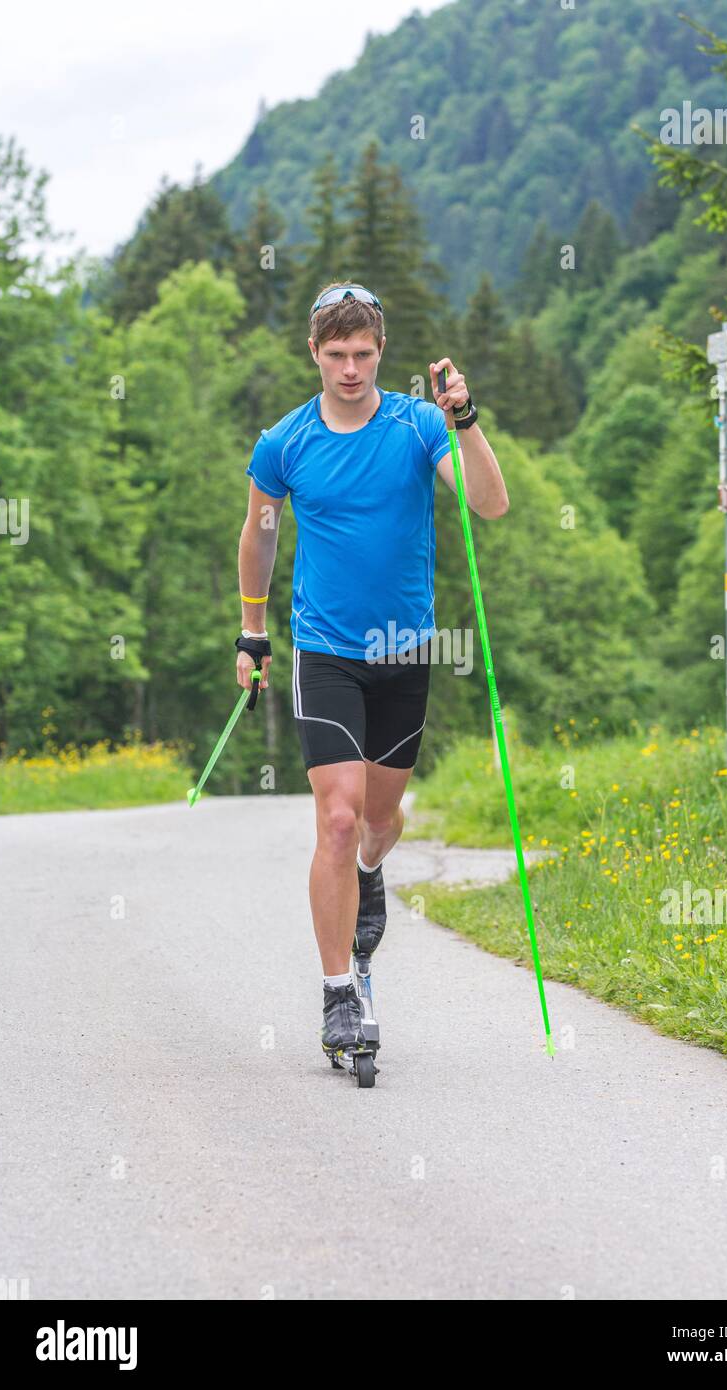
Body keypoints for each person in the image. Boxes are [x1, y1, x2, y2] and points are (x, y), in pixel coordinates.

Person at [235, 281, 509, 1059]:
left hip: (402, 653)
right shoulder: (284, 443)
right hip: (323, 651)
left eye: (362, 354)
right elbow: (258, 535)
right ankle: (338, 998)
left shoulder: (419, 425)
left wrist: (467, 422)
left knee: (384, 821)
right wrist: (252, 632)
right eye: (336, 355)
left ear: (381, 352)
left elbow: (489, 504)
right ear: (313, 354)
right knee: (339, 814)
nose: (350, 369)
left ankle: (368, 874)